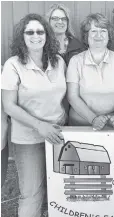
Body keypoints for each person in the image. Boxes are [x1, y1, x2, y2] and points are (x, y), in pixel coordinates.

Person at [1, 13, 66, 217]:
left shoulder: (58, 62)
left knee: (60, 190)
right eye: (30, 32)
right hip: (28, 138)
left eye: (40, 31)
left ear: (47, 35)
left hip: (57, 135)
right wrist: (40, 125)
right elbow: (9, 106)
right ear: (22, 36)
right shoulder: (13, 65)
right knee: (31, 193)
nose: (35, 36)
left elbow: (63, 98)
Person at [66, 13, 114, 130]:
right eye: (93, 31)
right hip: (81, 126)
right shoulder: (75, 61)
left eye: (103, 31)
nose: (99, 35)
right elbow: (72, 96)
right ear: (86, 36)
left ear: (109, 36)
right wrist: (93, 119)